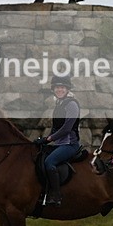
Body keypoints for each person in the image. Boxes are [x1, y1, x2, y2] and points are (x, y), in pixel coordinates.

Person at [35, 74, 81, 206]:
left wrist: (49, 138)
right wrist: (44, 140)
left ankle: (56, 196)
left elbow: (67, 128)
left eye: (62, 88)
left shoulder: (72, 104)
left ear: (67, 89)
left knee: (49, 162)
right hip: (59, 144)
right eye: (57, 88)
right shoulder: (59, 104)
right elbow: (56, 128)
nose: (59, 90)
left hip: (70, 144)